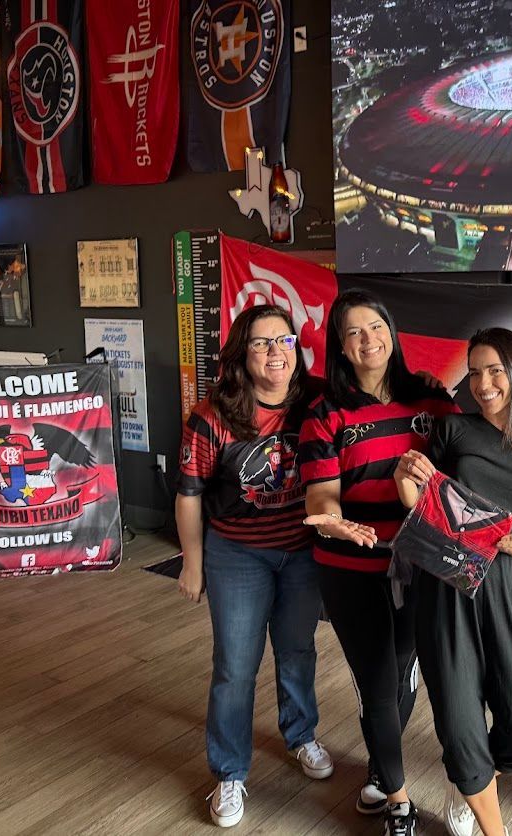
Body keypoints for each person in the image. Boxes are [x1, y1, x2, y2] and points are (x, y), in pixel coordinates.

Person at [298, 289, 457, 836]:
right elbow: (321, 496)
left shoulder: (431, 400)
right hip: (350, 570)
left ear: (392, 332)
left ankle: (379, 771)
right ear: (340, 347)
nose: (368, 340)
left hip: (419, 566)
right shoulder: (325, 414)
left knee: (403, 673)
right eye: (354, 332)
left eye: (376, 327)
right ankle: (400, 803)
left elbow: (464, 468)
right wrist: (334, 520)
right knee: (377, 682)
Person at [395, 328, 512, 836]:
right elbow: (424, 503)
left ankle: (473, 779)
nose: (483, 383)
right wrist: (406, 484)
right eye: (474, 372)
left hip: (509, 588)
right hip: (446, 585)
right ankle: (487, 814)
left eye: (495, 371)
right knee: (459, 724)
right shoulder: (454, 430)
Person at [175, 304, 333, 829]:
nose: (275, 352)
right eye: (261, 343)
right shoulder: (212, 416)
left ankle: (301, 735)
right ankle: (229, 771)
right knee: (235, 665)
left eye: (284, 341)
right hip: (237, 553)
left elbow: (374, 392)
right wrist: (192, 562)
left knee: (297, 650)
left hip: (302, 551)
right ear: (242, 355)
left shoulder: (315, 401)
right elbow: (189, 494)